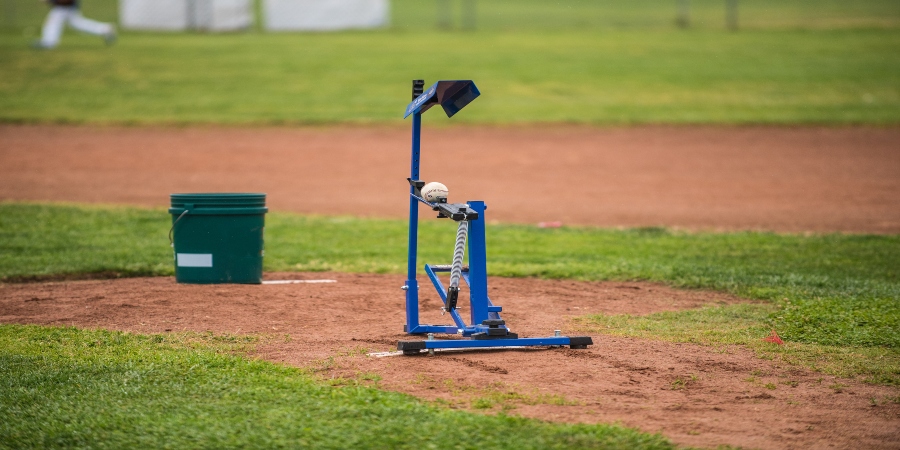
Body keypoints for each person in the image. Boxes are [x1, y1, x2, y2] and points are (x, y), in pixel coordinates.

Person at [33, 0, 116, 49]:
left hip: (65, 6)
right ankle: (105, 29)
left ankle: (49, 42)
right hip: (66, 7)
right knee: (77, 23)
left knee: (53, 22)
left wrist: (51, 1)